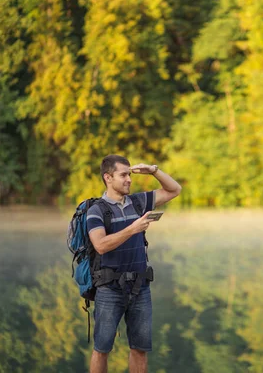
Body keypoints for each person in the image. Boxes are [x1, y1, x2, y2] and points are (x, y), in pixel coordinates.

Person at [86, 154, 182, 373]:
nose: (129, 179)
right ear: (108, 178)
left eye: (129, 174)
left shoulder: (138, 202)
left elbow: (174, 190)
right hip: (109, 289)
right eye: (123, 175)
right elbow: (100, 245)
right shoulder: (96, 211)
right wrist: (133, 229)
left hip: (140, 289)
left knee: (140, 349)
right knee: (102, 349)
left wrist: (154, 171)